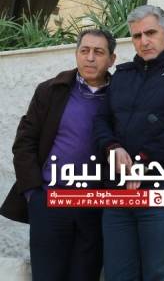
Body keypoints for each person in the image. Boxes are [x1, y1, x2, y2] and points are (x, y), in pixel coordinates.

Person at [94, 5, 164, 281]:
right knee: (117, 275)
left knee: (159, 274)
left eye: (151, 33)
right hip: (119, 189)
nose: (144, 41)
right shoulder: (123, 75)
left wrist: (143, 161)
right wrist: (111, 147)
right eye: (137, 36)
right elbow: (101, 120)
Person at [0, 29, 116, 281]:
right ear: (76, 54)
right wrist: (34, 194)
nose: (90, 58)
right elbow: (24, 142)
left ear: (111, 59)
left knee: (85, 276)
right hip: (50, 200)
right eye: (84, 50)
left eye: (98, 52)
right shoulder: (52, 90)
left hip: (94, 204)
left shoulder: (120, 96)